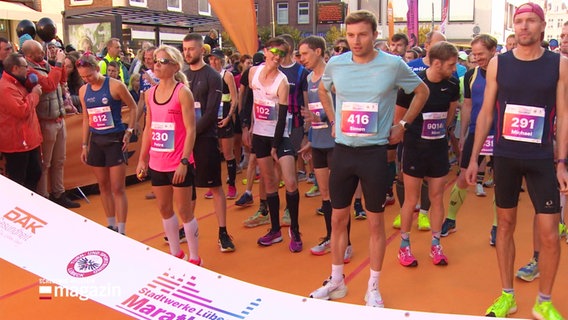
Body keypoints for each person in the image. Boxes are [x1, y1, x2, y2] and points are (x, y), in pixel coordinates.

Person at [309, 10, 429, 307]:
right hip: (344, 151)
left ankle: (373, 286)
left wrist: (403, 125)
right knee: (338, 217)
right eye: (350, 35)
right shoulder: (336, 64)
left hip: (375, 153)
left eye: (362, 34)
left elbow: (422, 91)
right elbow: (323, 90)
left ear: (375, 35)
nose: (356, 41)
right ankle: (336, 281)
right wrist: (333, 118)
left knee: (375, 223)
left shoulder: (392, 64)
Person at [465, 3, 567, 319]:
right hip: (506, 156)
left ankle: (544, 301)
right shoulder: (498, 64)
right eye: (519, 21)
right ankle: (507, 295)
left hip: (540, 158)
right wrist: (473, 159)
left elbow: (563, 116)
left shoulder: (559, 64)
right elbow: (485, 114)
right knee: (505, 225)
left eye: (530, 21)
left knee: (550, 231)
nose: (523, 26)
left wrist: (561, 161)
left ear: (541, 26)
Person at [135, 45, 201, 265]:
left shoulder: (183, 92)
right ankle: (175, 253)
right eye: (155, 61)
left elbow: (191, 129)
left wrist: (184, 161)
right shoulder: (150, 94)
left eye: (162, 61)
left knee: (184, 210)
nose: (156, 65)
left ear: (175, 66)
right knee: (164, 208)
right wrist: (143, 158)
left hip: (178, 162)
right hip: (158, 162)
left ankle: (194, 257)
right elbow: (149, 128)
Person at [396, 41, 460, 267]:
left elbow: (450, 114)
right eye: (451, 65)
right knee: (411, 200)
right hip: (414, 148)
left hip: (438, 149)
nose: (454, 69)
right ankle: (404, 246)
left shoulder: (452, 84)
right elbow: (399, 120)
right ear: (436, 63)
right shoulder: (411, 85)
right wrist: (410, 141)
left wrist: (439, 134)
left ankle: (436, 244)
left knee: (436, 197)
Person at [298, 35, 353, 262]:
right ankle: (331, 236)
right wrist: (309, 138)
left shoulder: (334, 76)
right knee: (325, 194)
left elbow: (342, 107)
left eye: (305, 54)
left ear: (319, 51)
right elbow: (311, 114)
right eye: (300, 55)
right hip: (319, 142)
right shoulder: (309, 78)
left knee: (339, 195)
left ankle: (346, 243)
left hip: (335, 142)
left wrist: (320, 116)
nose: (302, 59)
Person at [246, 37, 303, 252]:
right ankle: (275, 229)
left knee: (289, 181)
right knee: (269, 183)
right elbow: (249, 101)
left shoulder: (282, 82)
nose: (277, 57)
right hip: (260, 135)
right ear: (265, 51)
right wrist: (246, 125)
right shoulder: (253, 72)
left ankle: (295, 230)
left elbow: (281, 117)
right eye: (274, 52)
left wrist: (275, 145)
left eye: (281, 54)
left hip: (279, 135)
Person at [441, 34, 498, 239]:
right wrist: (463, 133)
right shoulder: (472, 75)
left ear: (493, 51)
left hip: (500, 133)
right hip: (477, 132)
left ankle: (496, 226)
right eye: (474, 54)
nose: (476, 58)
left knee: (501, 181)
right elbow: (467, 105)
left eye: (481, 53)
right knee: (464, 176)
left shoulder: (505, 73)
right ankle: (451, 219)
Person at [182, 33, 235, 253]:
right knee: (187, 187)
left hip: (205, 139)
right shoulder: (181, 76)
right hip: (186, 141)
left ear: (201, 50)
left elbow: (212, 112)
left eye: (191, 49)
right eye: (184, 49)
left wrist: (192, 134)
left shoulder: (213, 76)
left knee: (214, 187)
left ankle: (223, 231)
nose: (187, 53)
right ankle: (185, 226)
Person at [77, 54, 137, 235]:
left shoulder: (115, 86)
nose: (87, 79)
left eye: (89, 75)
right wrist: (84, 145)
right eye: (83, 77)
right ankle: (110, 225)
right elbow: (86, 118)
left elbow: (133, 107)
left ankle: (122, 229)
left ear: (97, 69)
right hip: (96, 141)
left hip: (114, 139)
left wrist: (129, 131)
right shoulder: (83, 91)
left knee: (117, 187)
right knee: (103, 185)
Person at [22, 40, 80, 209]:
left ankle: (59, 192)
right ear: (30, 55)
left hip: (58, 118)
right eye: (40, 51)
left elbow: (61, 79)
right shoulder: (29, 70)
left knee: (59, 160)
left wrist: (57, 64)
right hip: (45, 121)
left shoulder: (47, 65)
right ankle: (43, 196)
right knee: (45, 163)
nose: (45, 53)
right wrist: (59, 63)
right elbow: (49, 85)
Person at [0, 53, 43, 191]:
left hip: (29, 141)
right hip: (16, 143)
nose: (28, 70)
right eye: (25, 67)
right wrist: (35, 94)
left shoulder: (20, 83)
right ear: (15, 68)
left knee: (35, 173)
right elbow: (22, 111)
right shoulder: (5, 88)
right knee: (18, 181)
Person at [206, 49, 239, 199]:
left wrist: (228, 117)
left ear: (222, 60)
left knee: (228, 154)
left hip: (224, 119)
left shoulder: (227, 76)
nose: (213, 62)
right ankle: (214, 185)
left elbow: (234, 98)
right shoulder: (207, 76)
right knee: (212, 154)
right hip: (211, 121)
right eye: (211, 59)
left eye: (216, 59)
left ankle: (232, 185)